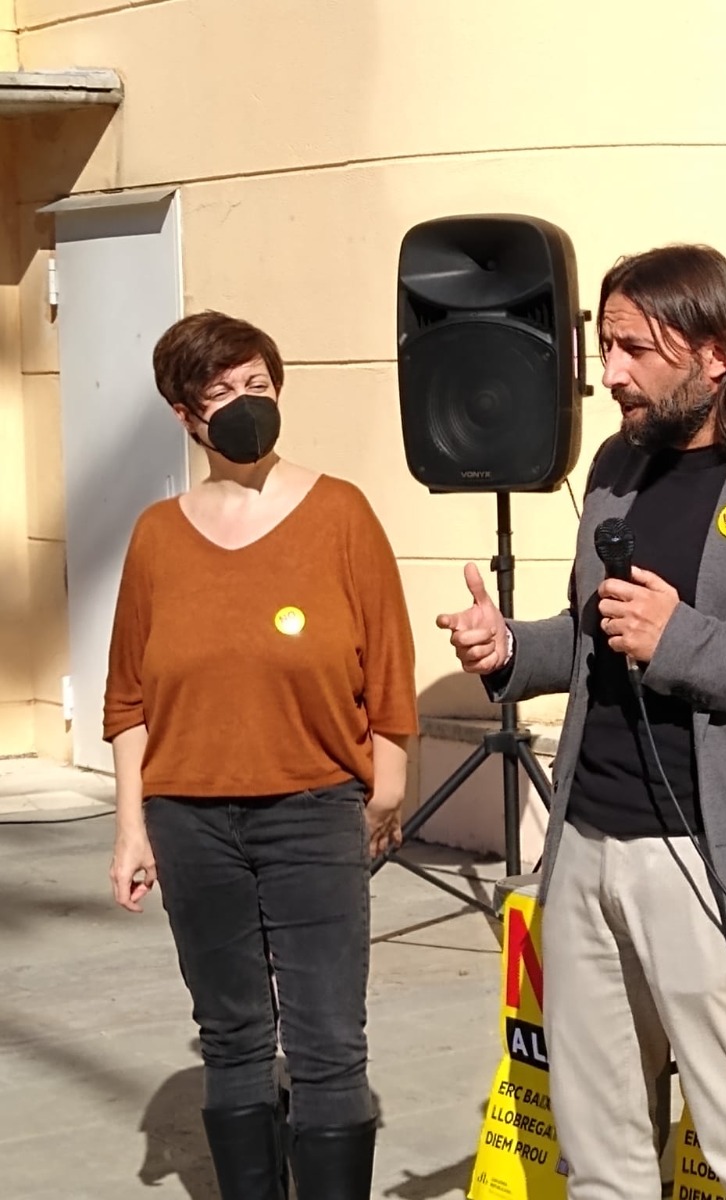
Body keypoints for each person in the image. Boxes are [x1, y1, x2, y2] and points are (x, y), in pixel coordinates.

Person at [438, 243, 726, 1200]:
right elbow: (596, 633)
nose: (610, 374)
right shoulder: (616, 466)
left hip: (718, 862)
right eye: (605, 347)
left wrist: (684, 642)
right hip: (585, 849)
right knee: (600, 1158)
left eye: (635, 349)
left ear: (716, 353)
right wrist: (511, 647)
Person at [105, 311, 418, 1200]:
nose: (246, 404)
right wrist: (131, 827)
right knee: (234, 1036)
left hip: (314, 810)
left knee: (328, 1042)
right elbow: (127, 697)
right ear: (184, 414)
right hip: (188, 820)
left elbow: (389, 666)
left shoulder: (340, 513)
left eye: (258, 385)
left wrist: (385, 789)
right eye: (221, 392)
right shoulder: (156, 536)